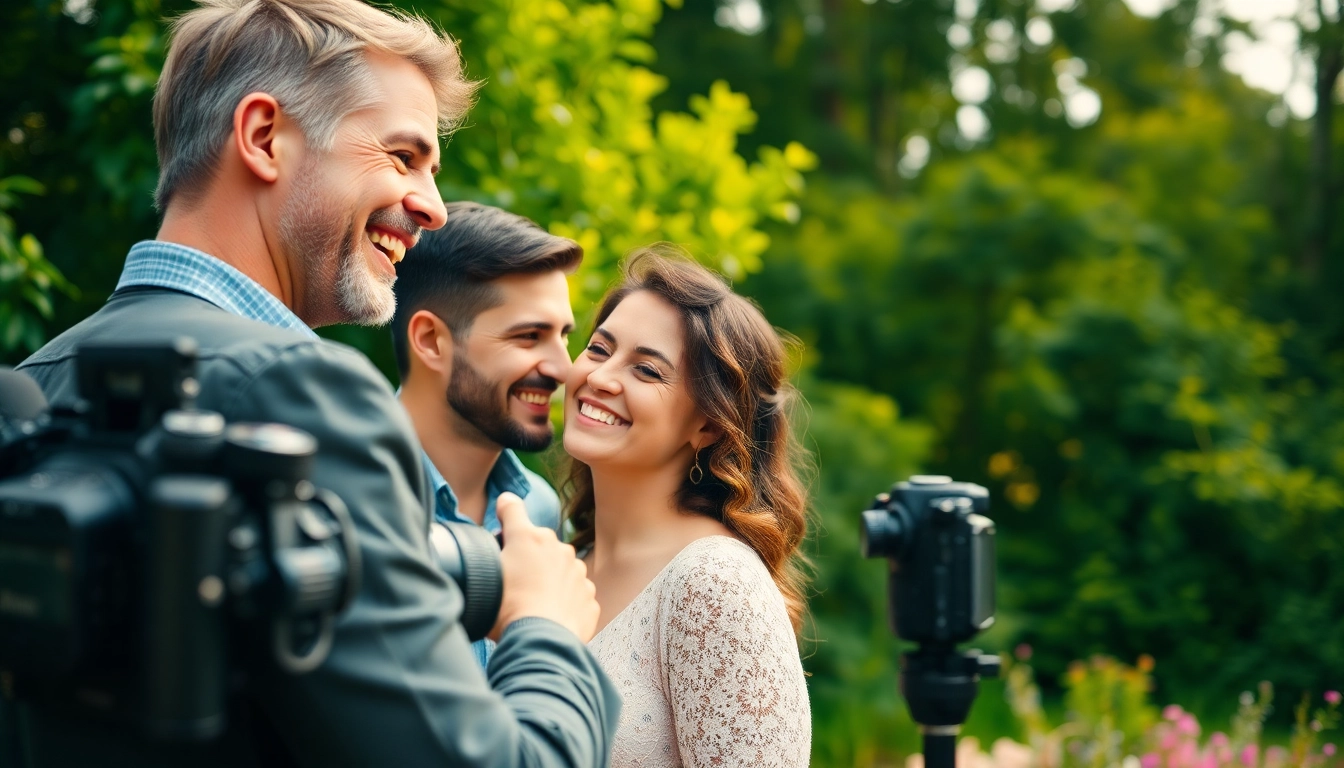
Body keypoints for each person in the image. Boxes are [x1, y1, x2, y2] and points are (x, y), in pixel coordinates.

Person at [10, 0, 619, 765]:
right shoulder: (301, 399)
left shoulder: (39, 385)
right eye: (404, 157)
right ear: (265, 138)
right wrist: (547, 628)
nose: (432, 207)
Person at [561, 248, 813, 767]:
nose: (602, 378)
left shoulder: (714, 583)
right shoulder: (563, 559)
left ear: (708, 426)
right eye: (598, 348)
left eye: (648, 371)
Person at [392, 202, 579, 666]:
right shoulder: (354, 496)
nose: (564, 368)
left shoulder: (541, 511)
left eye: (564, 336)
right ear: (432, 341)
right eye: (529, 336)